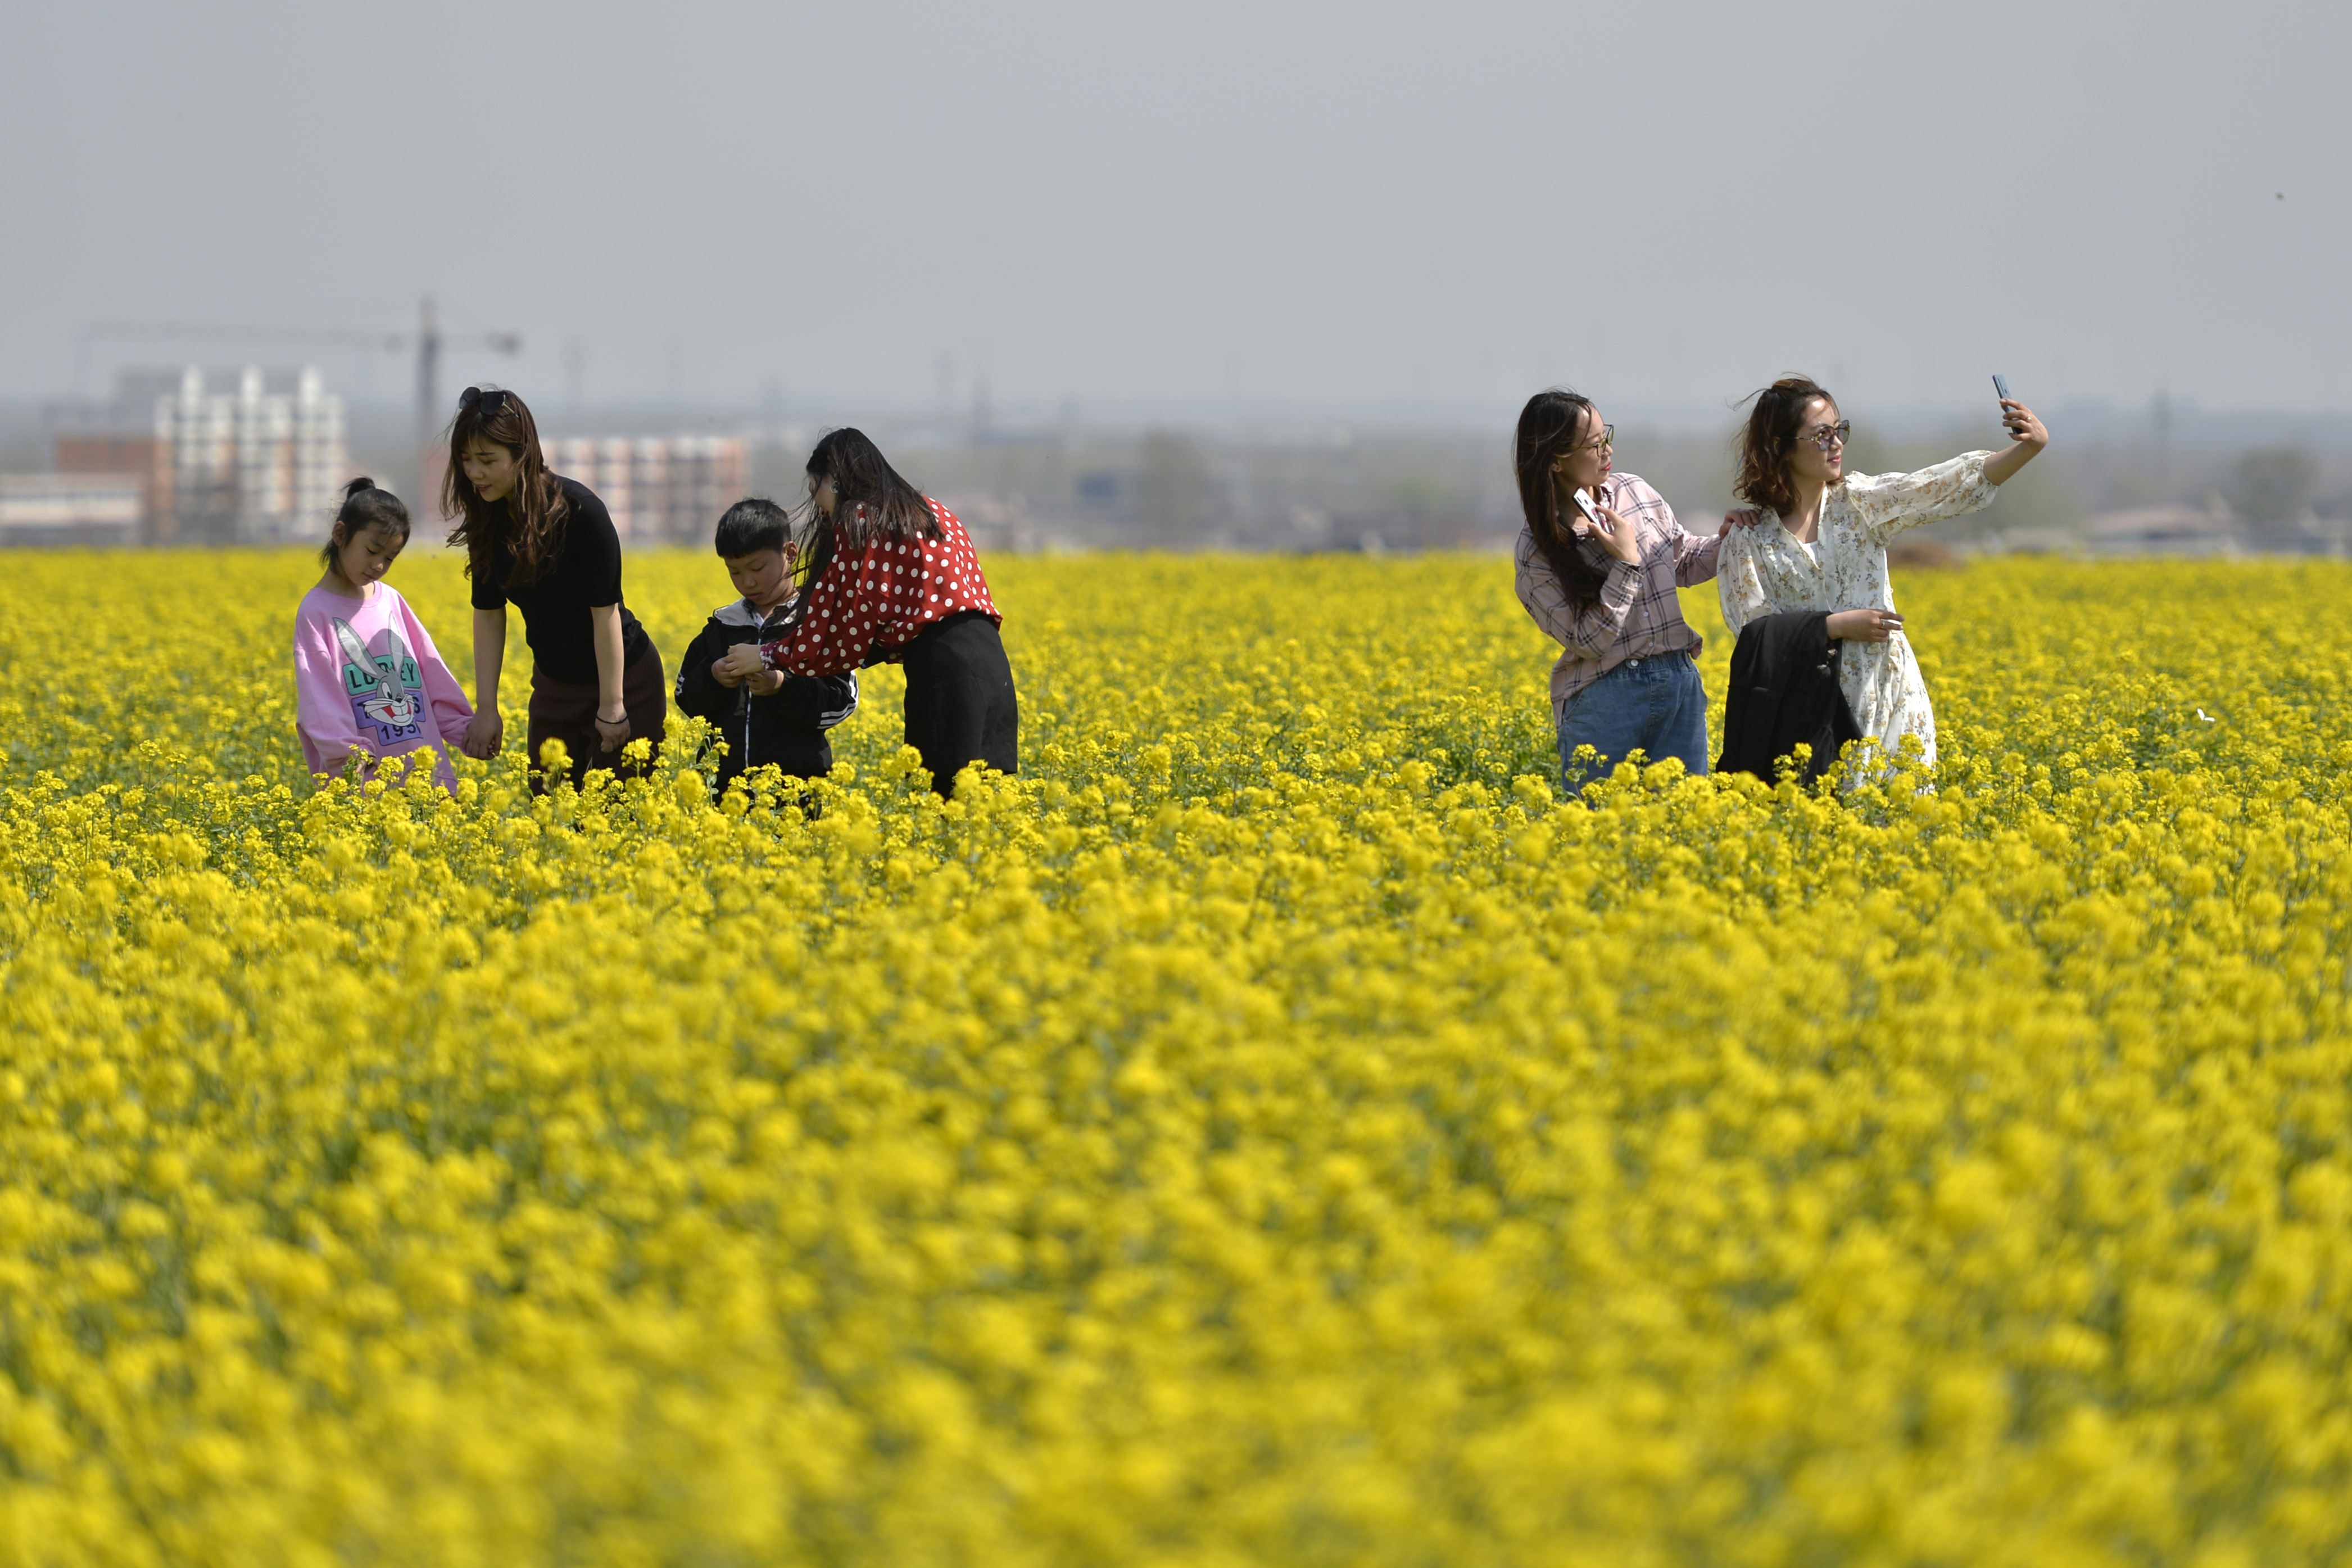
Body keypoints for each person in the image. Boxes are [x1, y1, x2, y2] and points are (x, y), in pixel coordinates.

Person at [1714, 375, 2049, 771]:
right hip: (1807, 714)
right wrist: (1833, 627)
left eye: (1840, 431)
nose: (1836, 443)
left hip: (1890, 696)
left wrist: (2027, 449)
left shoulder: (1859, 503)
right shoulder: (1748, 538)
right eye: (1821, 435)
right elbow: (1753, 632)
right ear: (1779, 446)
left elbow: (1938, 488)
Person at [755, 429, 1016, 796]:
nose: (819, 506)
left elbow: (847, 624)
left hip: (944, 675)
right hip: (991, 670)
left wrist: (767, 654)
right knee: (986, 816)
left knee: (943, 808)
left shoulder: (860, 518)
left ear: (833, 478)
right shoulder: (932, 511)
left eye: (816, 489)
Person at [1512, 387, 1749, 793]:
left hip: (1678, 686)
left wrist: (1727, 541)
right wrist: (1625, 562)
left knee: (1682, 832)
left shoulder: (1634, 493)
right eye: (1592, 444)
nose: (1607, 451)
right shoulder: (1536, 551)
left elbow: (1683, 561)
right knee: (1600, 841)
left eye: (1607, 436)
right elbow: (1588, 640)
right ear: (1555, 460)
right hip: (1606, 699)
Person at [443, 387, 667, 791]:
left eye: (487, 460)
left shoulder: (582, 512)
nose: (474, 473)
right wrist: (487, 709)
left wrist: (613, 705)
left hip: (624, 682)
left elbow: (605, 613)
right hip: (554, 686)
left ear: (522, 453)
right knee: (548, 817)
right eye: (466, 461)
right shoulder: (486, 522)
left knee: (614, 816)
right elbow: (489, 614)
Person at [293, 478, 474, 791]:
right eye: (372, 550)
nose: (379, 565)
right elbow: (320, 702)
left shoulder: (390, 600)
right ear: (340, 535)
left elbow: (430, 672)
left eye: (390, 557)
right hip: (368, 785)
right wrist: (351, 761)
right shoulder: (316, 612)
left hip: (426, 780)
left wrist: (466, 730)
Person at [674, 497, 860, 794]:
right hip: (723, 791)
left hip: (795, 791)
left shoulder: (815, 623)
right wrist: (714, 677)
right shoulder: (722, 626)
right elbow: (685, 697)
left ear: (789, 553)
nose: (747, 582)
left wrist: (782, 686)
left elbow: (842, 702)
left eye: (757, 568)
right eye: (734, 572)